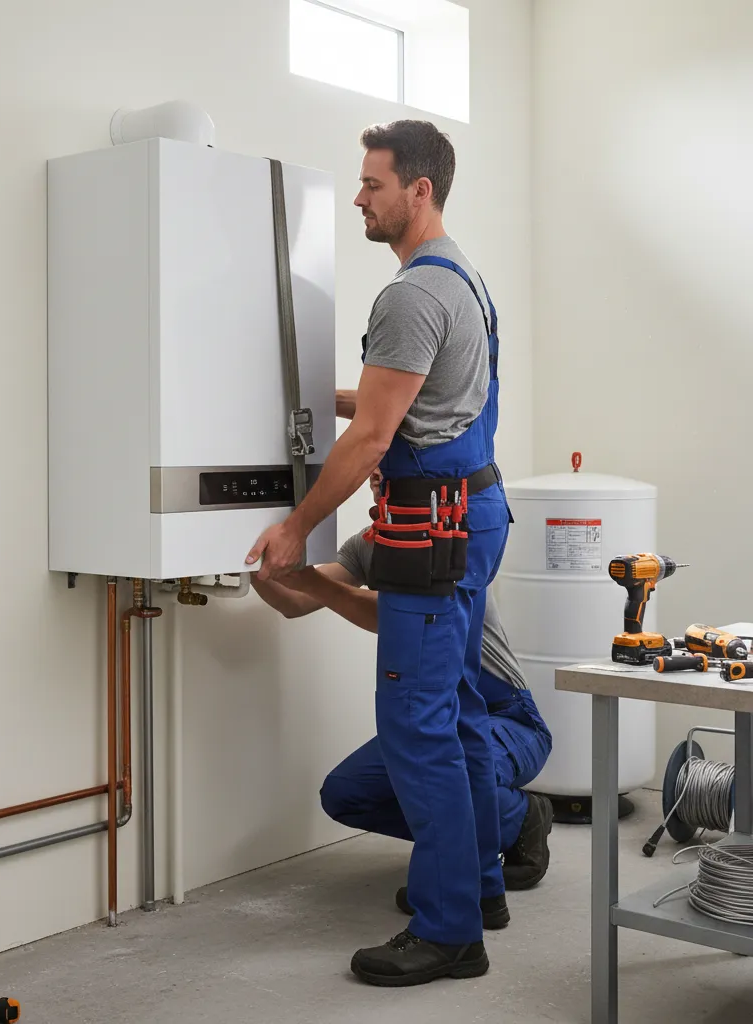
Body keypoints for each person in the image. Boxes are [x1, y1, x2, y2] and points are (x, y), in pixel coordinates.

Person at [246, 120, 512, 986]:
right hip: (475, 513)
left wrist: (294, 527)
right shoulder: (459, 278)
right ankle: (480, 887)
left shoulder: (408, 295)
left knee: (416, 727)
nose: (360, 196)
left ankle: (449, 933)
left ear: (418, 191)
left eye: (372, 183)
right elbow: (409, 390)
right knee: (460, 708)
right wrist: (312, 391)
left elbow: (369, 441)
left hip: (431, 533)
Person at [250, 483, 553, 902]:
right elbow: (294, 602)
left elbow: (393, 617)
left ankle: (509, 825)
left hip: (501, 714)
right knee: (348, 793)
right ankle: (493, 829)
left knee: (452, 775)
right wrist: (250, 562)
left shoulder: (450, 539)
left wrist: (310, 580)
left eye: (386, 466)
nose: (380, 477)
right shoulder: (367, 545)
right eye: (374, 471)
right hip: (432, 708)